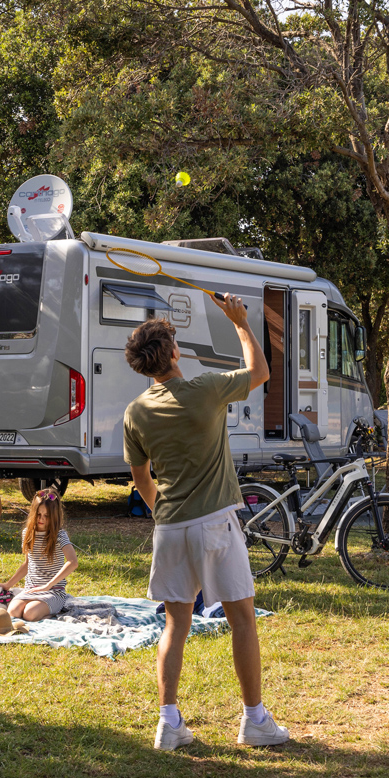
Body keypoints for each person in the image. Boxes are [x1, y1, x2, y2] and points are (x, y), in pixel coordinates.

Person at [122, 295, 286, 750]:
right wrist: (240, 324)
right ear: (172, 353)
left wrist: (161, 510)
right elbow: (261, 373)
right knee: (243, 620)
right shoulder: (206, 389)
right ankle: (255, 721)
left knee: (176, 624)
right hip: (215, 522)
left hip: (170, 527)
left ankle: (168, 723)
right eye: (176, 341)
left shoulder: (135, 412)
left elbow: (140, 476)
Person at [0, 488, 78, 621]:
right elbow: (27, 563)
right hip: (30, 590)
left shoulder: (59, 535)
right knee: (12, 611)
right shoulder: (27, 533)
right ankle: (41, 610)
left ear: (54, 516)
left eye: (46, 516)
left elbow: (73, 562)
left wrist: (47, 586)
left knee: (29, 614)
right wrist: (8, 584)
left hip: (53, 591)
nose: (41, 519)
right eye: (38, 514)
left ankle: (56, 612)